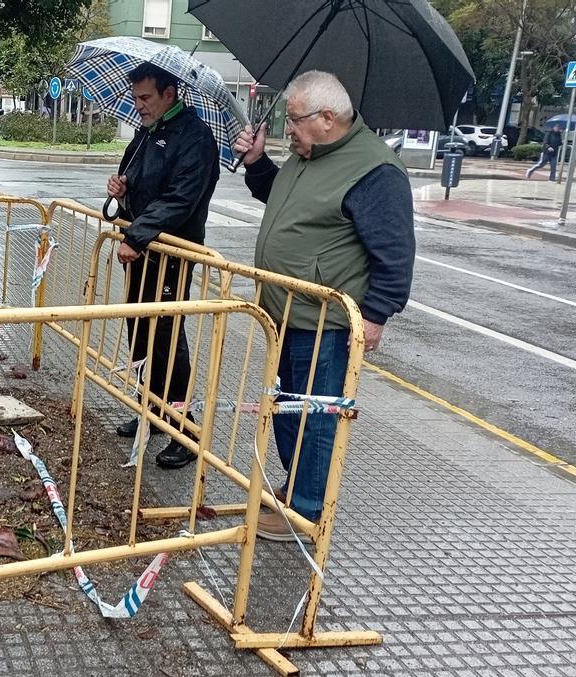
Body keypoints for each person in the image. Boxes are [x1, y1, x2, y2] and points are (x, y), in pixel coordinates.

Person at [232, 71, 414, 540]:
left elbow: (394, 254)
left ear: (327, 118)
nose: (287, 129)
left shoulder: (374, 169)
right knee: (287, 409)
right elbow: (286, 200)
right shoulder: (309, 154)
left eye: (294, 121)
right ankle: (297, 491)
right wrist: (256, 162)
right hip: (286, 313)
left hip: (326, 323)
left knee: (315, 418)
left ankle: (307, 511)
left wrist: (374, 317)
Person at [106, 62, 221, 469]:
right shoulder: (147, 133)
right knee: (140, 328)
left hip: (172, 254)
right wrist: (120, 188)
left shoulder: (195, 138)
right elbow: (134, 181)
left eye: (146, 98)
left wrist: (137, 236)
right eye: (135, 97)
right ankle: (152, 409)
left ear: (170, 94)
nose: (138, 105)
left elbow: (179, 199)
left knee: (168, 337)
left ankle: (184, 428)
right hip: (141, 251)